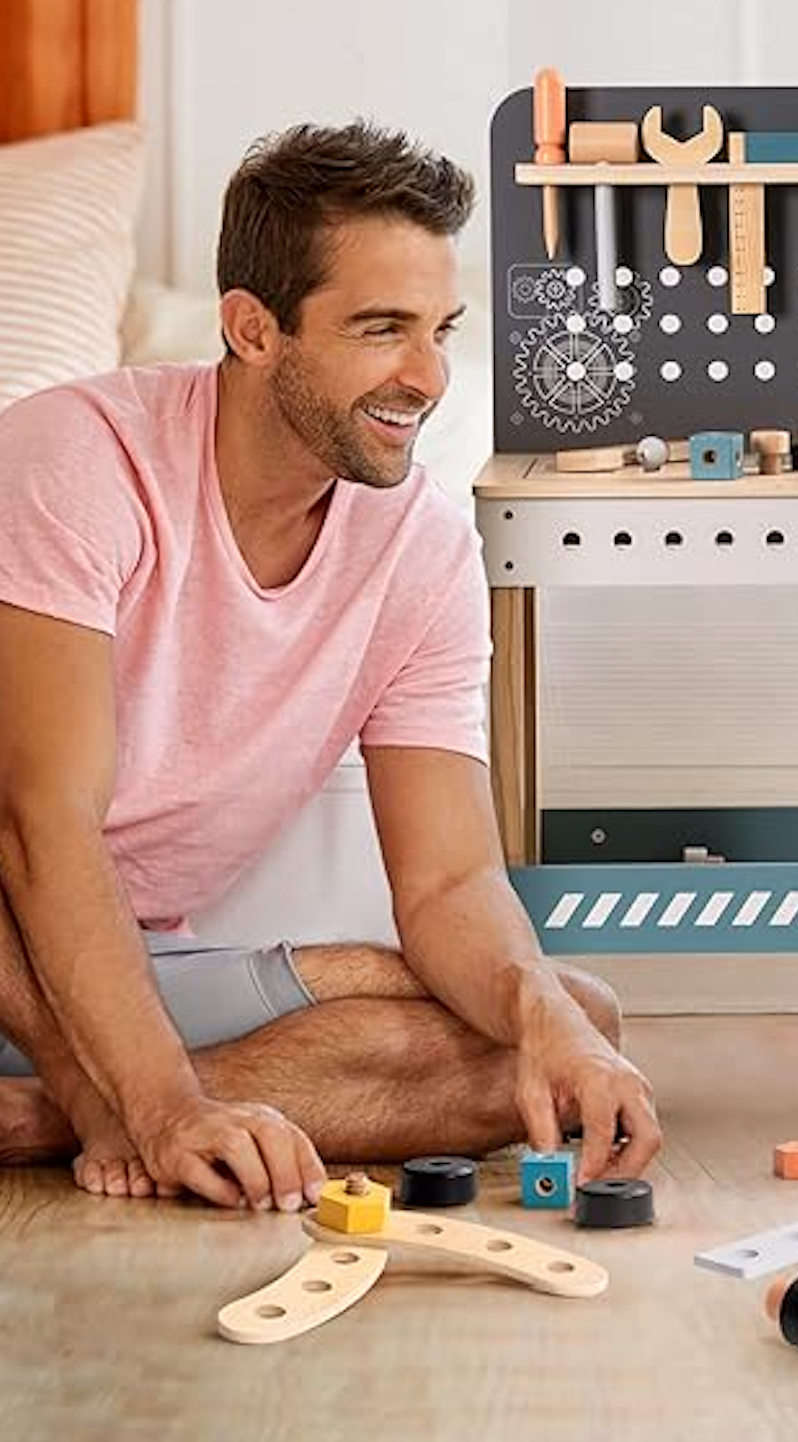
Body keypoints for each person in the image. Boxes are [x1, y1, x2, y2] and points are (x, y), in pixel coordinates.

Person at [0, 121, 660, 1209]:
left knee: (571, 1025)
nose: (427, 375)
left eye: (440, 328)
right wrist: (158, 1103)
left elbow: (449, 882)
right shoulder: (76, 459)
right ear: (252, 329)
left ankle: (45, 1116)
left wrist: (543, 1017)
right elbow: (38, 828)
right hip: (25, 910)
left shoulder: (422, 549)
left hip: (131, 963)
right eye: (381, 329)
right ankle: (114, 1097)